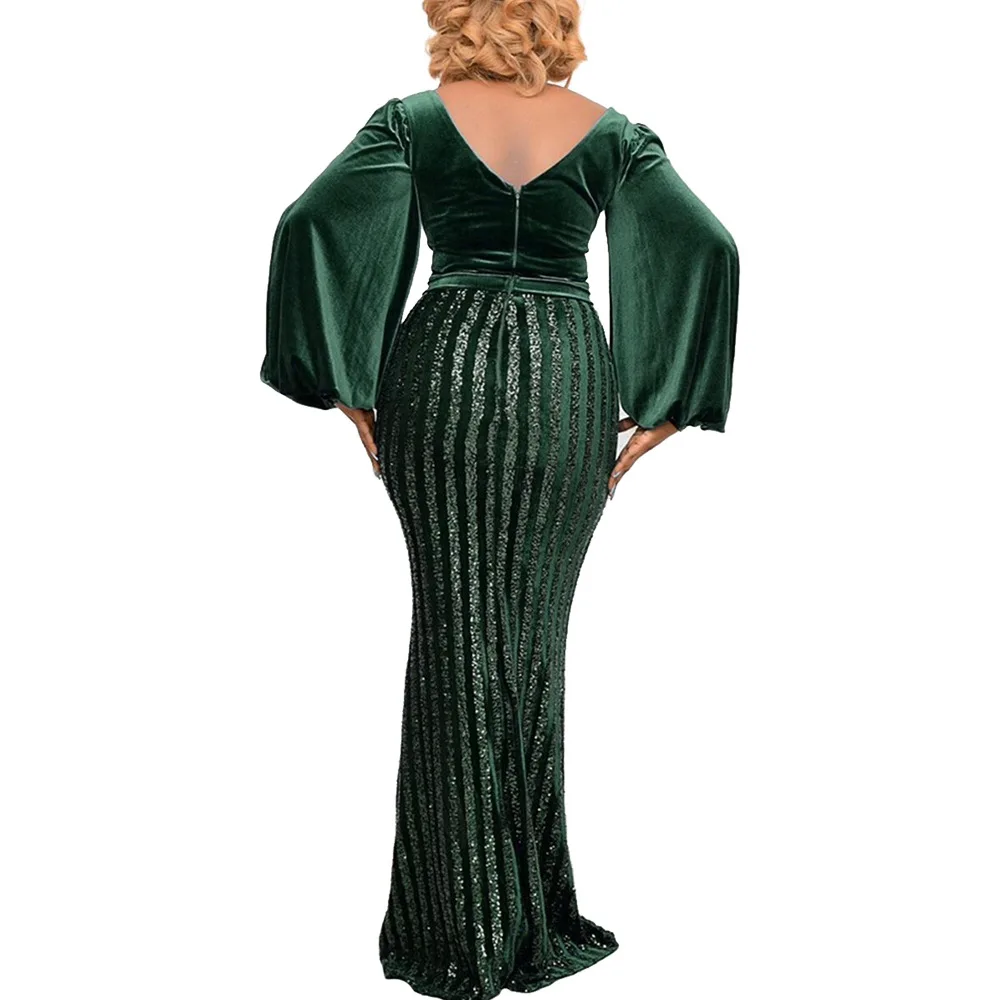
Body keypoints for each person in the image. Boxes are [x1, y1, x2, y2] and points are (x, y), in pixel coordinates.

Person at [259, 2, 739, 997]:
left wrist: (346, 381)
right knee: (528, 641)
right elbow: (710, 247)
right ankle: (521, 915)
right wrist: (671, 402)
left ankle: (456, 923)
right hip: (564, 382)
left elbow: (307, 225)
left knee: (453, 634)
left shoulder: (413, 121)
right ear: (554, 17)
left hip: (442, 371)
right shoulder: (612, 135)